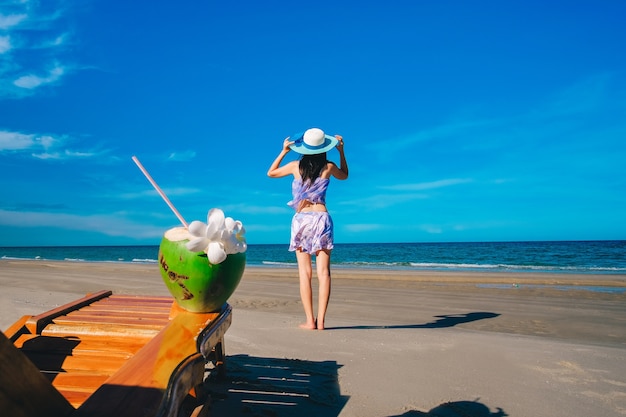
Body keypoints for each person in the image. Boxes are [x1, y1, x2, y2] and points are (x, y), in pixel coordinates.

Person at [267, 127, 349, 330]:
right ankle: (321, 321)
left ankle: (309, 320)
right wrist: (341, 151)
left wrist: (285, 150)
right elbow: (345, 175)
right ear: (324, 148)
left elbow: (271, 173)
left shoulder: (295, 166)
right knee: (324, 273)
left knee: (305, 273)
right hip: (321, 218)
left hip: (302, 219)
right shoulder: (329, 167)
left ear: (304, 149)